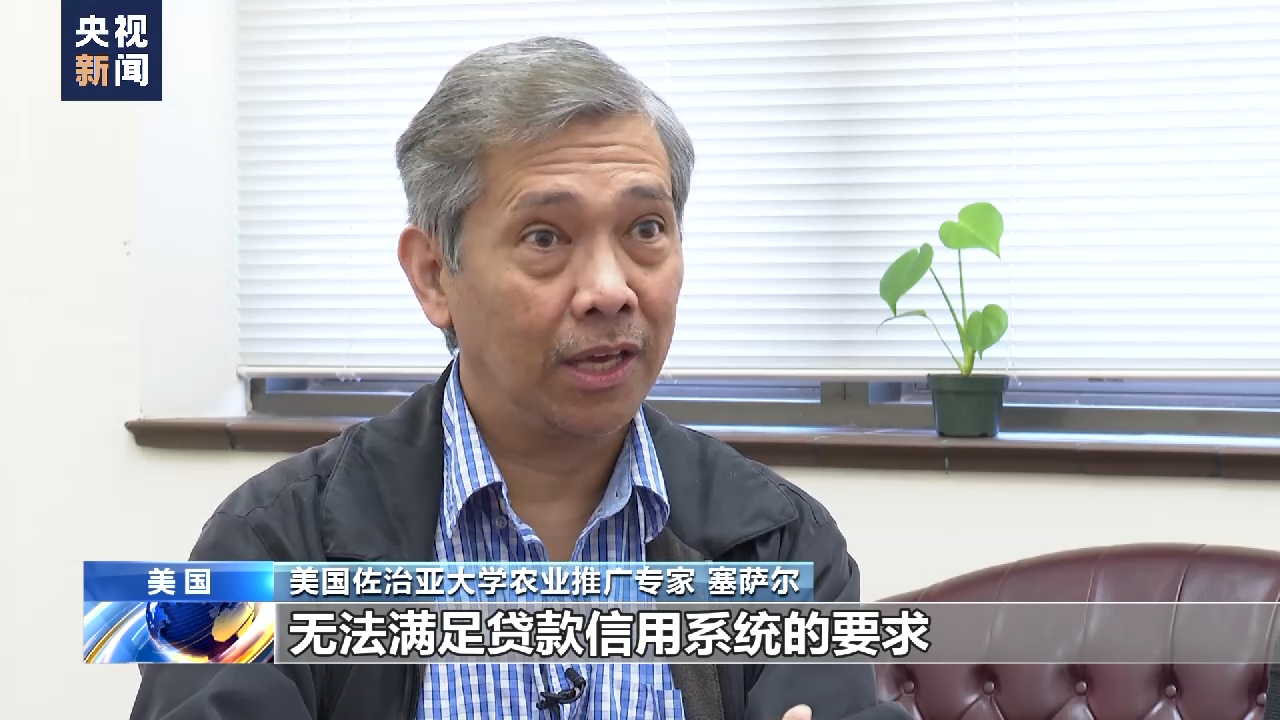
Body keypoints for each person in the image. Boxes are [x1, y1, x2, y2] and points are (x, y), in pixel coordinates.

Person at [131, 36, 909, 720]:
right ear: (433, 275)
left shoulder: (779, 545)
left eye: (646, 228)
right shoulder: (264, 545)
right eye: (545, 237)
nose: (610, 289)